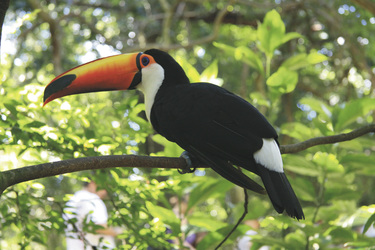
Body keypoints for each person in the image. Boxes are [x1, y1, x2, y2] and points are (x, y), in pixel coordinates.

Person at [63, 180, 121, 250]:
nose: (105, 192)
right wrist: (117, 232)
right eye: (104, 187)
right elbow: (98, 226)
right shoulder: (93, 199)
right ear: (92, 183)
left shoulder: (70, 202)